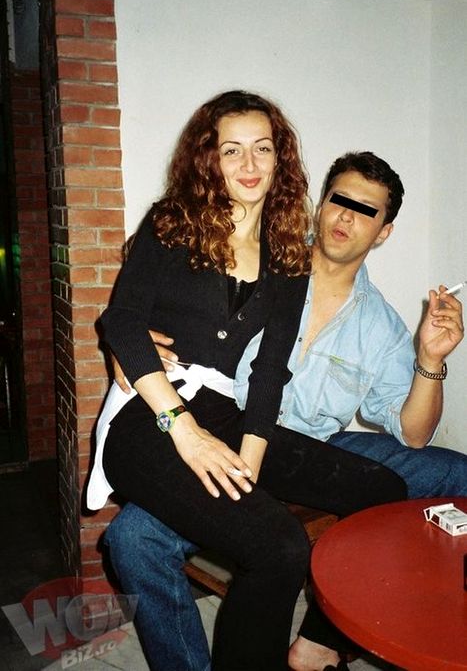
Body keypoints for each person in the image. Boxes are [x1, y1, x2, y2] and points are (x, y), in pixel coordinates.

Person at [104, 150, 465, 671]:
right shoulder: (259, 264)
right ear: (320, 204)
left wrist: (430, 361)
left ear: (384, 231)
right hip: (228, 437)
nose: (346, 217)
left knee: (452, 472)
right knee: (131, 538)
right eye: (339, 200)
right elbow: (160, 311)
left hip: (316, 445)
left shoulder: (382, 327)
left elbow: (412, 434)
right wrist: (129, 349)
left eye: (366, 211)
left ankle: (319, 641)